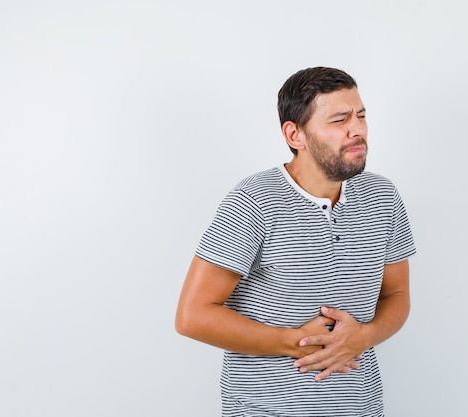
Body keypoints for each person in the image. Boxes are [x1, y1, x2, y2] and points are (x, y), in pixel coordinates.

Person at [175, 66, 416, 417]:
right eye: (339, 120)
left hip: (360, 407)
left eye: (361, 116)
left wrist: (365, 336)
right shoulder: (253, 201)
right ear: (295, 135)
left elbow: (396, 295)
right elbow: (192, 316)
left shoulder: (383, 196)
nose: (358, 130)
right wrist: (292, 342)